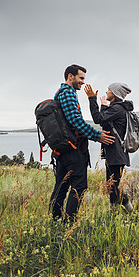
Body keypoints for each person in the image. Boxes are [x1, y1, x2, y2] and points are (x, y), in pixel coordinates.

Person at [49, 64, 115, 222]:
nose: (83, 82)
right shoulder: (67, 93)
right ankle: (69, 223)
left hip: (64, 148)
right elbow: (76, 122)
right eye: (81, 78)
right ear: (70, 76)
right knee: (78, 186)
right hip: (73, 149)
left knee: (61, 185)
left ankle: (56, 220)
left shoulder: (62, 93)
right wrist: (97, 135)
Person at [84, 82, 133, 213]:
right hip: (114, 154)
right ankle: (115, 212)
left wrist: (92, 99)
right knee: (111, 187)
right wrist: (104, 106)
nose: (106, 92)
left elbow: (97, 119)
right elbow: (105, 125)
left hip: (117, 155)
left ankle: (128, 209)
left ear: (115, 94)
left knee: (113, 187)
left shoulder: (118, 109)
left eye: (109, 90)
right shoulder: (116, 108)